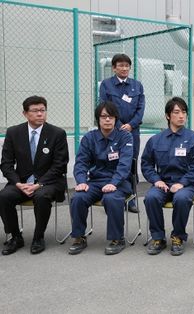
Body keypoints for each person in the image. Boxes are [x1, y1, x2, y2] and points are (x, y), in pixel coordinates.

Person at [0, 96, 69, 255]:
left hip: (49, 182)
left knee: (41, 196)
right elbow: (6, 164)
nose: (40, 114)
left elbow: (60, 165)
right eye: (35, 111)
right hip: (22, 182)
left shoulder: (57, 133)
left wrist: (40, 184)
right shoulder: (13, 132)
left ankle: (38, 237)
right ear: (25, 113)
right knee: (4, 196)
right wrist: (17, 183)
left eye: (43, 110)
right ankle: (15, 237)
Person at [142, 97, 194, 256]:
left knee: (181, 198)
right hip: (163, 184)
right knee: (151, 197)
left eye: (184, 112)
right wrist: (156, 180)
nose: (181, 116)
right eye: (176, 112)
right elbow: (146, 164)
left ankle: (178, 236)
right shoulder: (156, 140)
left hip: (186, 185)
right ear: (167, 116)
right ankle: (158, 238)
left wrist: (183, 183)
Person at [68, 101, 133, 255]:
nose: (108, 120)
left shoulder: (125, 137)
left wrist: (114, 183)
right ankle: (79, 237)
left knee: (111, 199)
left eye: (111, 116)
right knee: (78, 198)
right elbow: (81, 163)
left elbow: (125, 165)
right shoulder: (89, 138)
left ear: (116, 118)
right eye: (104, 116)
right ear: (98, 119)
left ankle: (118, 239)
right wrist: (82, 181)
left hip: (119, 182)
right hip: (95, 182)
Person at [99, 53, 145, 213]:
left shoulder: (137, 85)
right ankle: (114, 195)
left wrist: (131, 125)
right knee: (114, 161)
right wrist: (118, 125)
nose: (124, 68)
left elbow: (141, 109)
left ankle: (131, 198)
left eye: (127, 66)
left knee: (131, 162)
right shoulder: (106, 85)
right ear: (114, 68)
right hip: (112, 131)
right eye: (121, 65)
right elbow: (104, 107)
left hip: (133, 132)